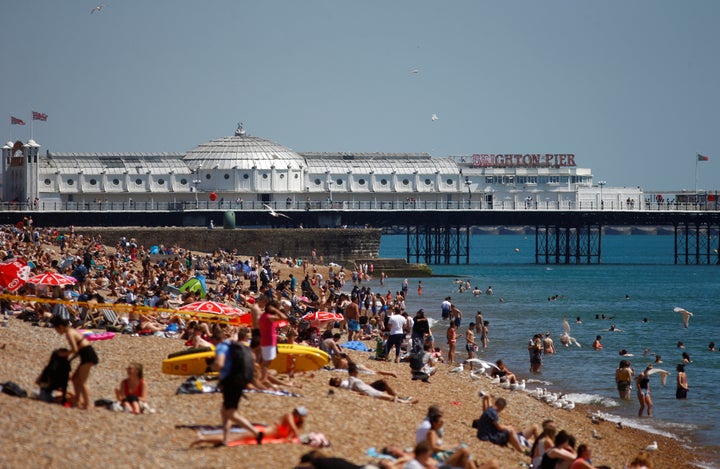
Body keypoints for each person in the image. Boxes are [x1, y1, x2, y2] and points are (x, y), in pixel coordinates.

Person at [214, 327, 262, 446]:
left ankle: (256, 432)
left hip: (231, 381)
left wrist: (212, 366)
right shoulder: (232, 345)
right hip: (237, 380)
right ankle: (225, 439)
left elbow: (219, 364)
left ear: (213, 339)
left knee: (230, 412)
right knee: (225, 410)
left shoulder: (221, 347)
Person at [192, 406, 307, 447]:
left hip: (263, 435)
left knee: (232, 438)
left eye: (298, 414)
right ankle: (202, 439)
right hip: (262, 433)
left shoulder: (296, 422)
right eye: (296, 412)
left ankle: (203, 440)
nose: (296, 415)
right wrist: (295, 438)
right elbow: (293, 429)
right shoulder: (289, 416)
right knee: (231, 439)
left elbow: (292, 432)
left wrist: (290, 438)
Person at [51, 317, 98, 410]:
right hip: (85, 354)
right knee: (75, 378)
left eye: (56, 329)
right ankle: (78, 400)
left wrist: (63, 354)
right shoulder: (72, 330)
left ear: (60, 326)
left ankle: (87, 404)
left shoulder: (69, 333)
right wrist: (70, 359)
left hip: (88, 355)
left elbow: (75, 349)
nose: (57, 331)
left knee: (82, 381)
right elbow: (78, 350)